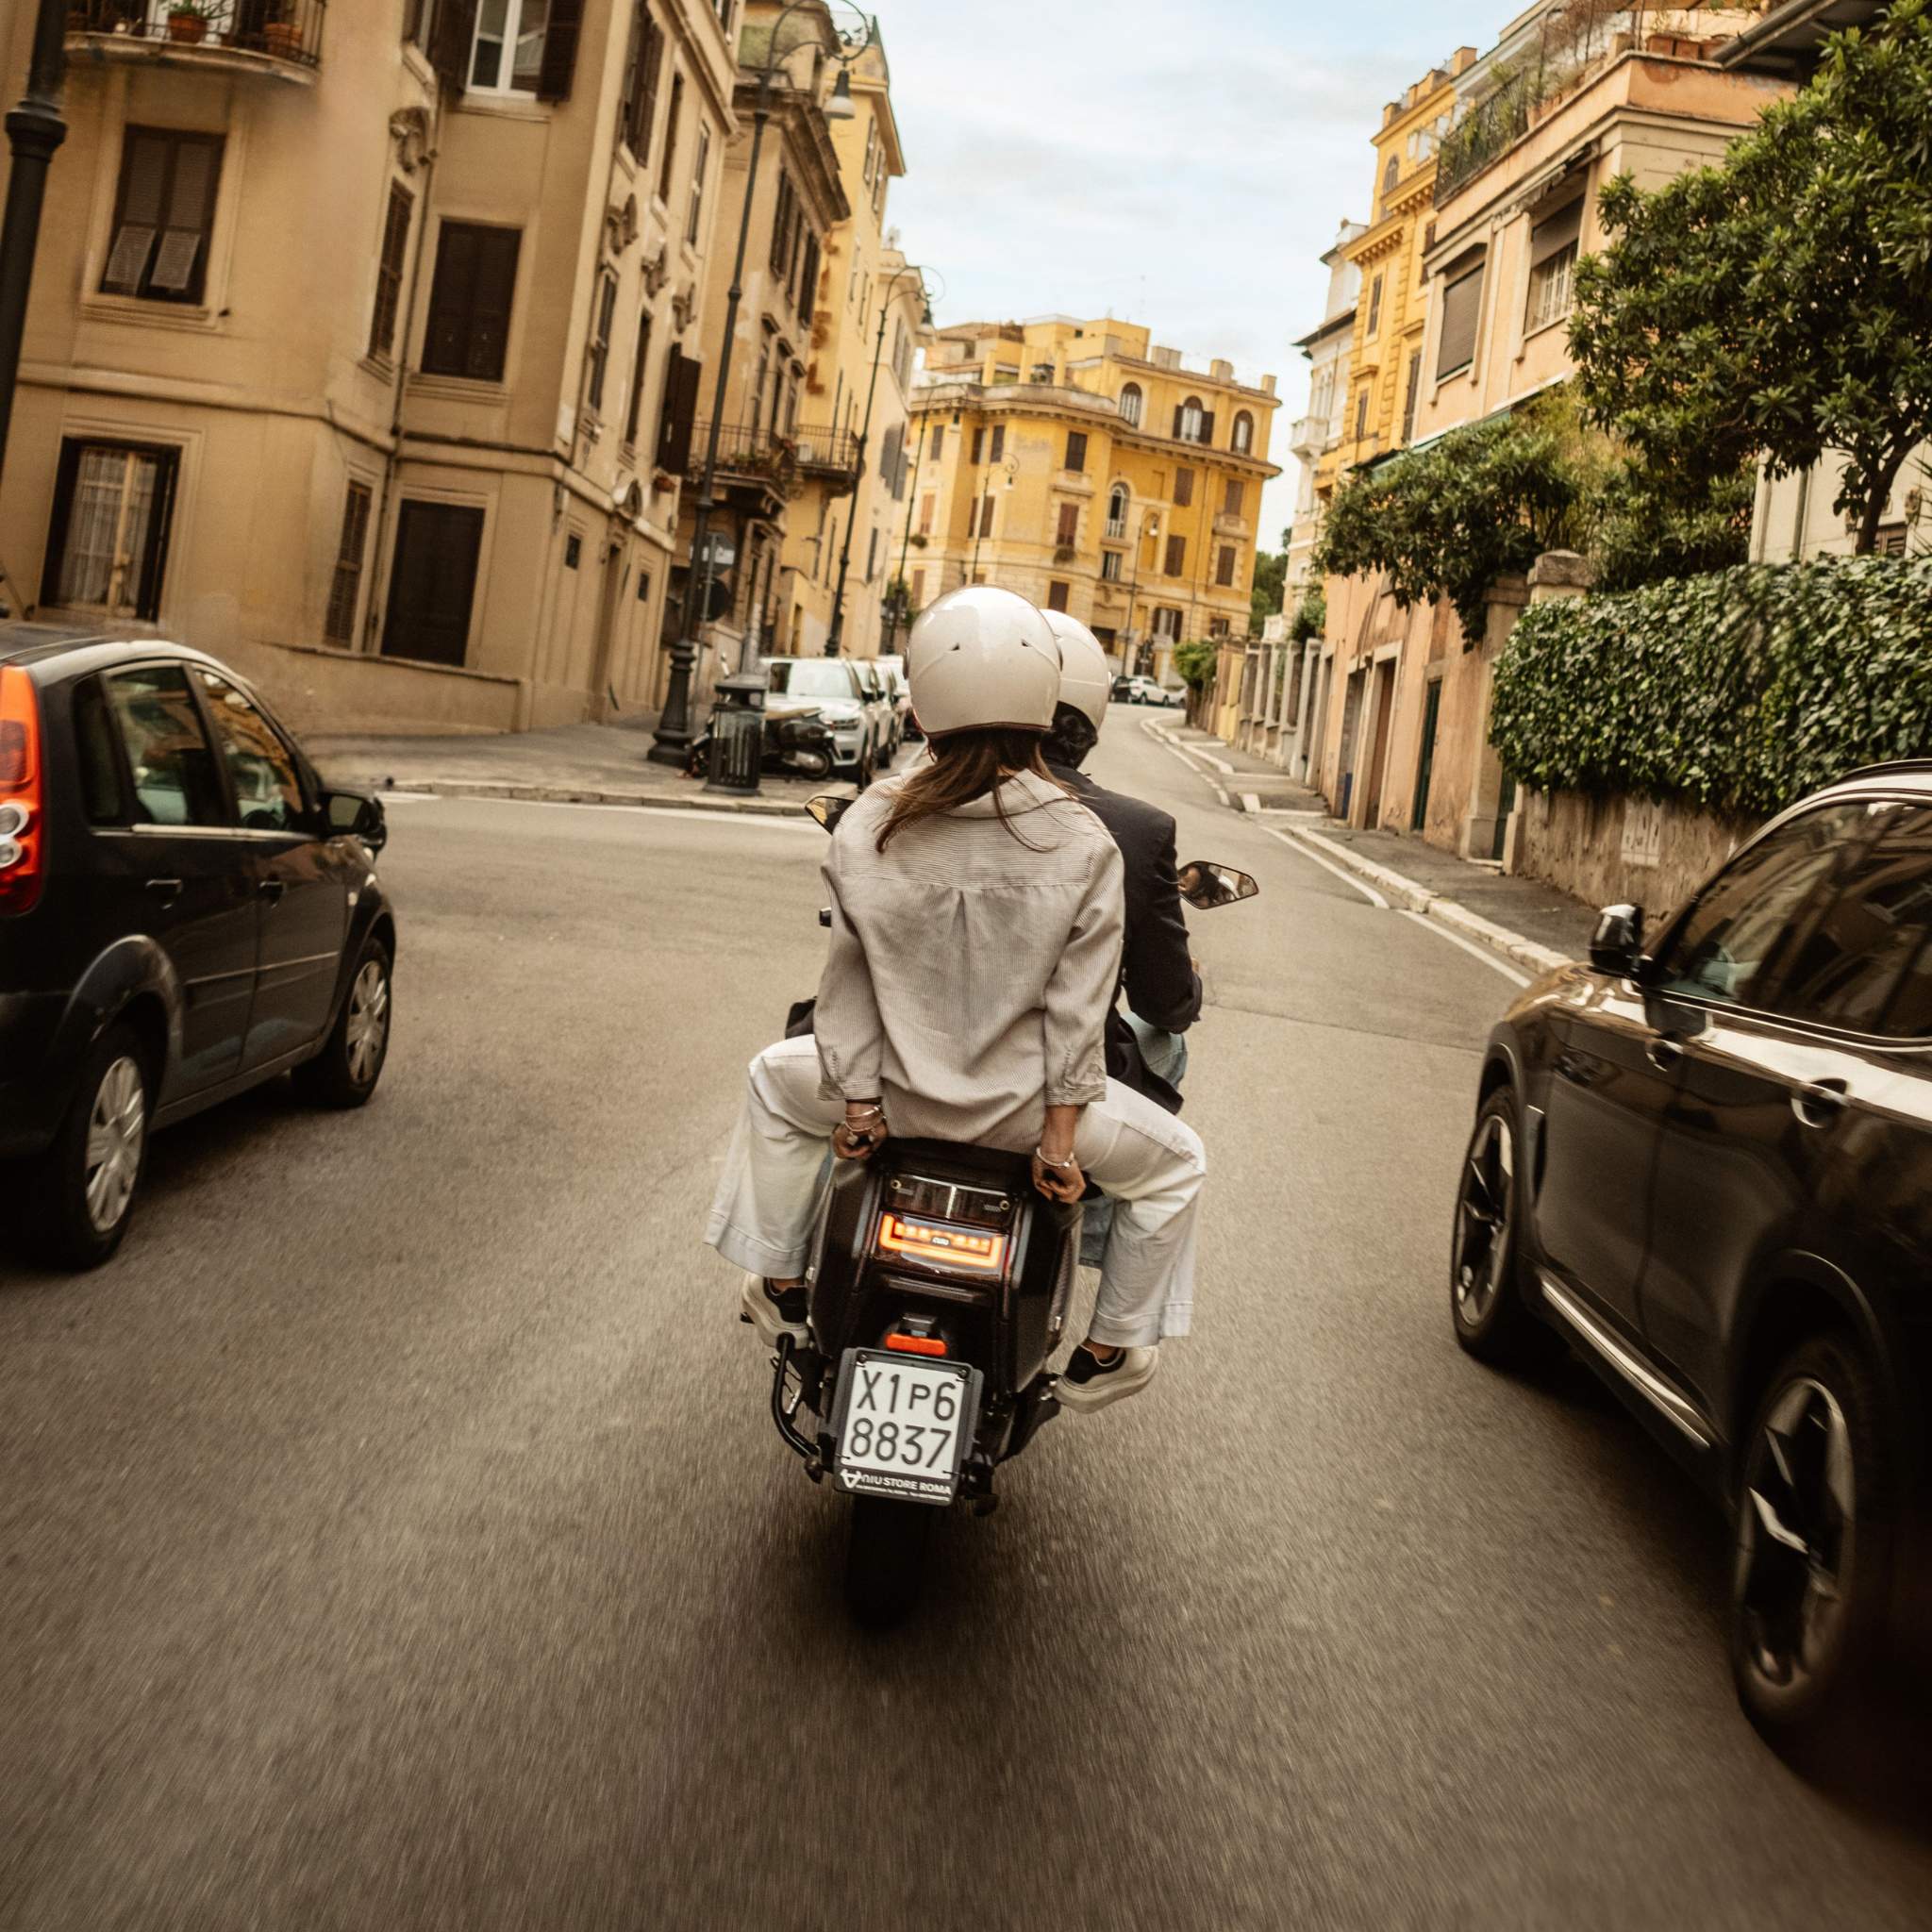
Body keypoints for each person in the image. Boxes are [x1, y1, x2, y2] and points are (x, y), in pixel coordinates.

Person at [706, 584, 1207, 1410]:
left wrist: (861, 1111)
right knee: (1179, 1163)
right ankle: (1109, 1347)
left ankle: (781, 1281)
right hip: (1020, 1120)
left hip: (897, 1104)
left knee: (770, 1077)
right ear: (1044, 706)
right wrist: (1056, 1146)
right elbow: (1081, 1018)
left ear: (923, 701)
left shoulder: (870, 820)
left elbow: (849, 990)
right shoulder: (1084, 840)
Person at [1037, 609, 1202, 1106]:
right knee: (1177, 1167)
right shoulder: (1136, 831)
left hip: (909, 1068)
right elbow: (1164, 1003)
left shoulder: (903, 804)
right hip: (1059, 1087)